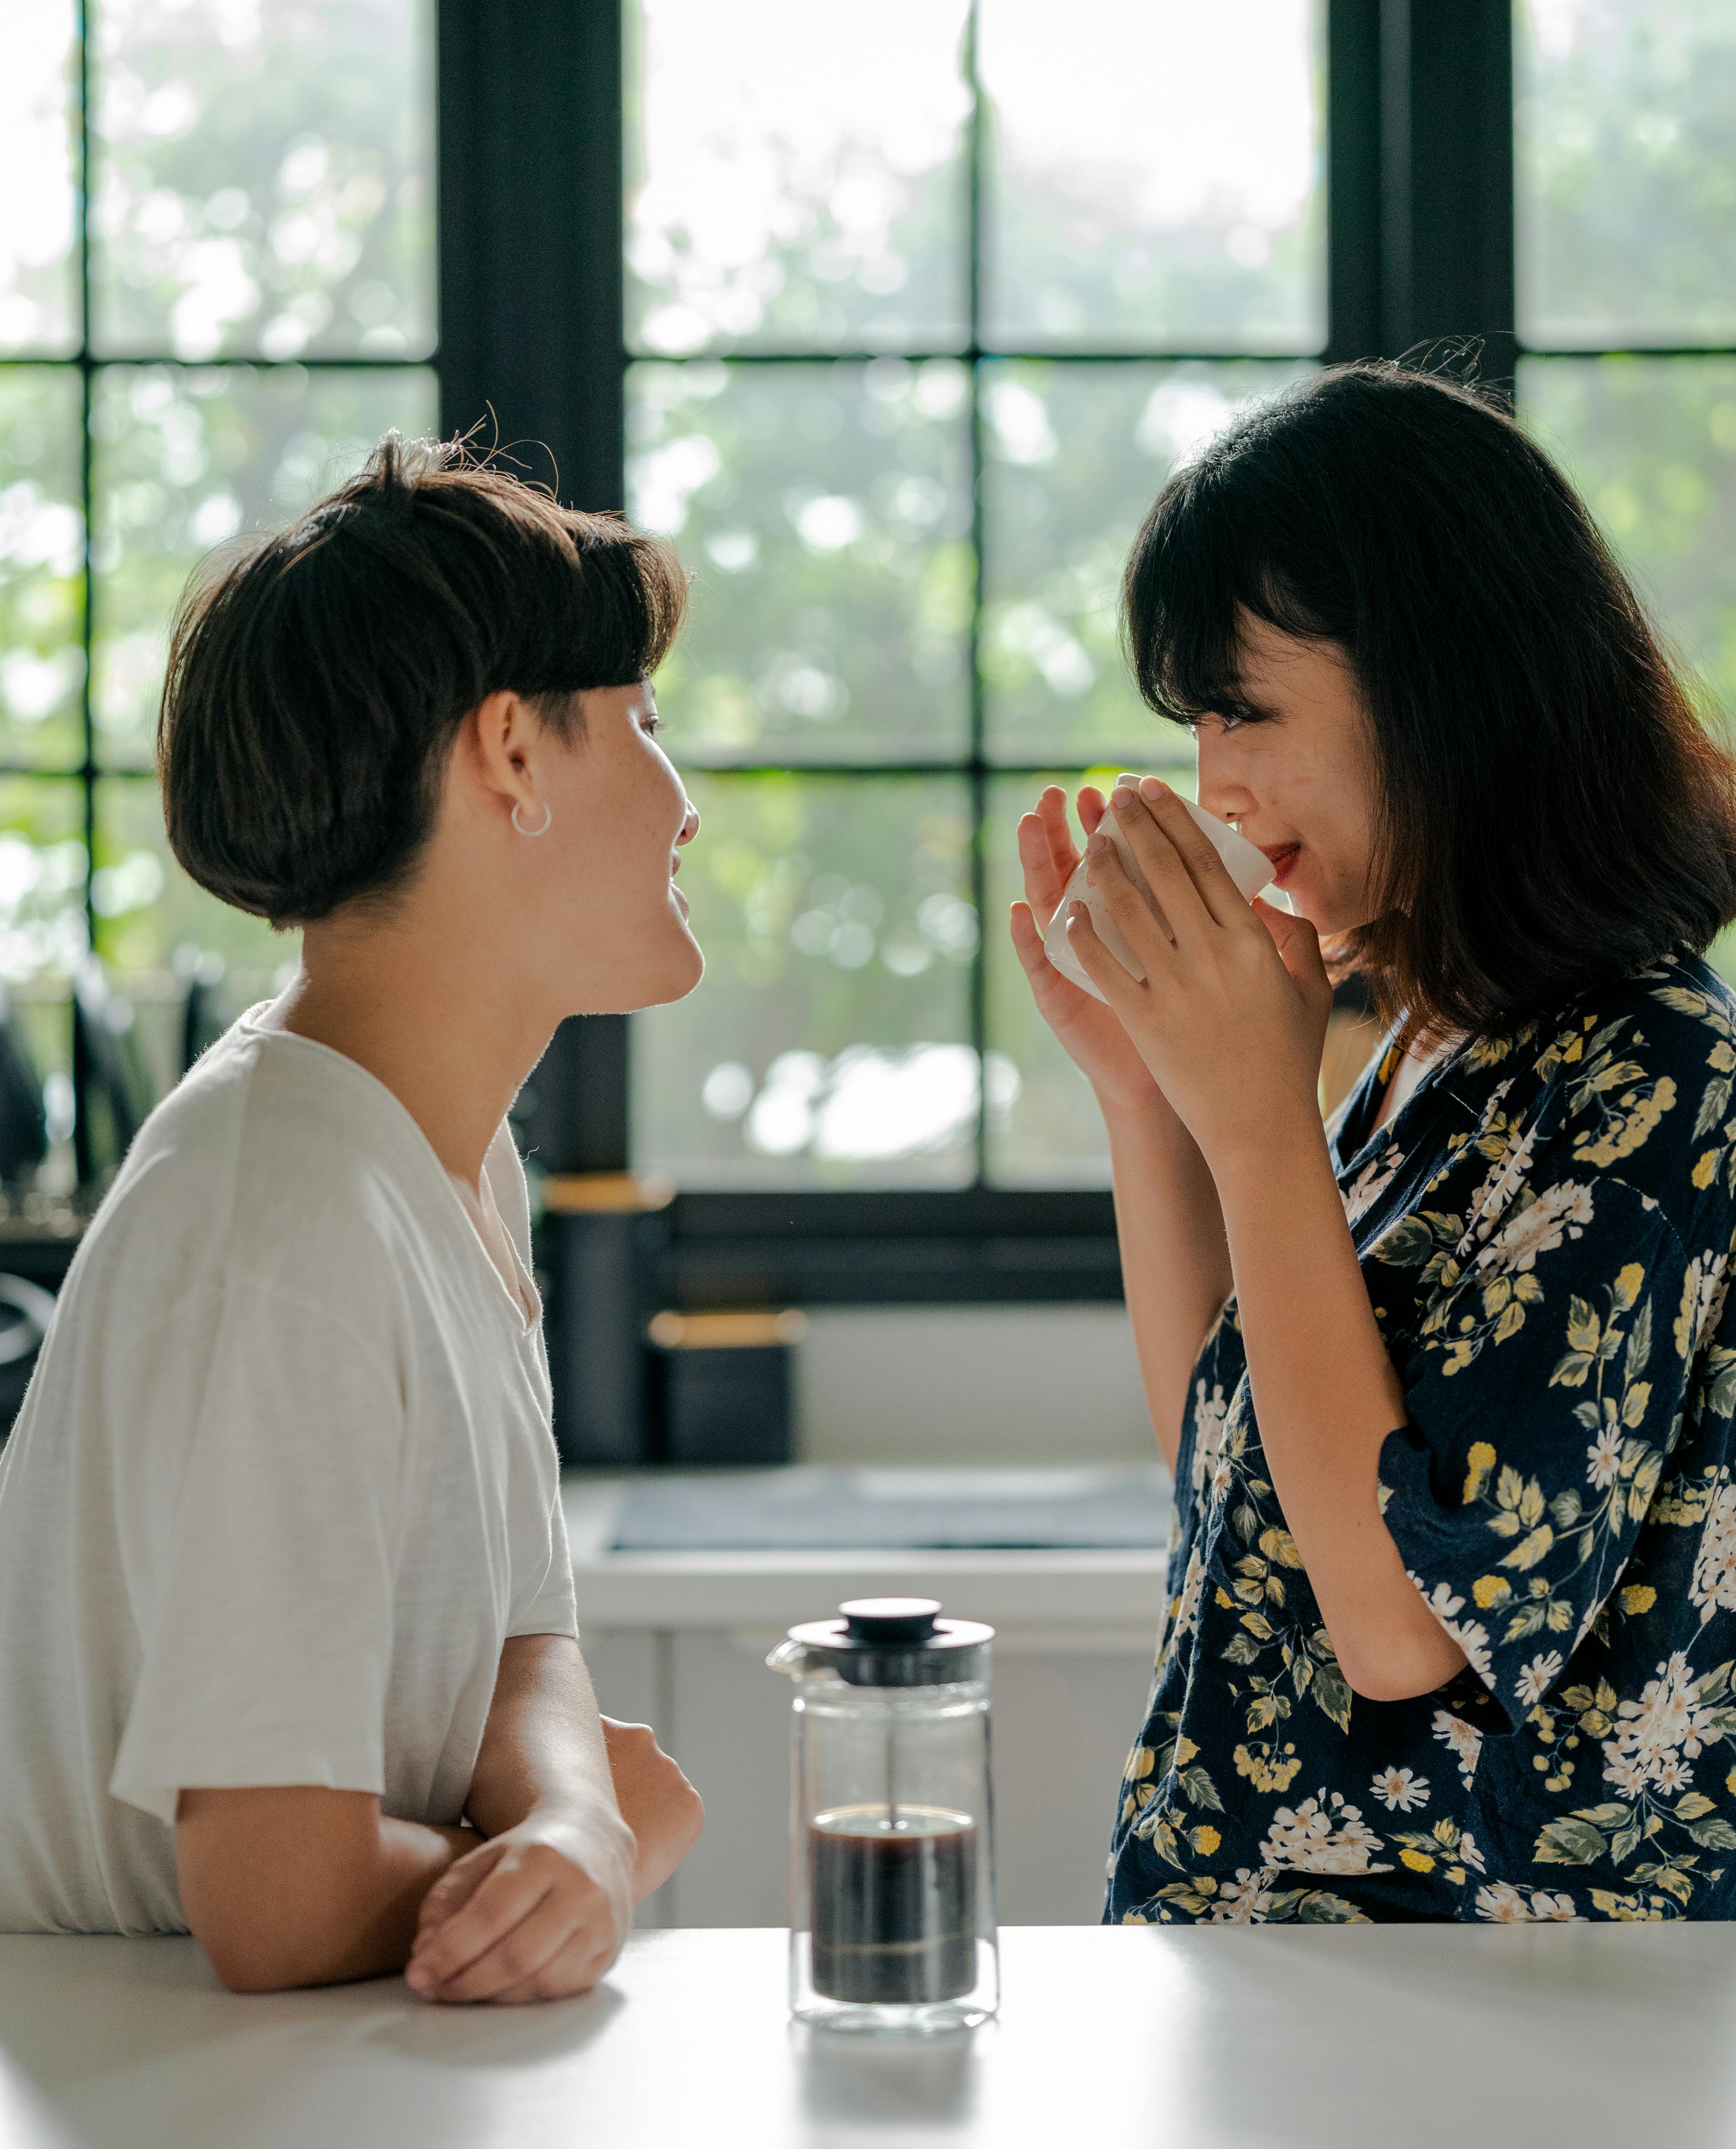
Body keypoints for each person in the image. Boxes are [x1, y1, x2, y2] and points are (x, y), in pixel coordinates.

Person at [1010, 362, 1736, 1923]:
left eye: (1244, 711)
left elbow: (1404, 1623)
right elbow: (1243, 1474)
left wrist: (1257, 1118)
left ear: (1440, 684)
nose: (1215, 784)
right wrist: (1152, 1099)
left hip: (1493, 2023)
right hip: (1315, 1995)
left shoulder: (1658, 1075)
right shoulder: (1440, 1044)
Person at [0, 437, 706, 1996]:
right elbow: (282, 1902)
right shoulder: (298, 1218)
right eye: (643, 726)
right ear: (510, 751)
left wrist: (581, 1823)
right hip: (151, 2081)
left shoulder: (440, 1155)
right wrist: (601, 1856)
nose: (682, 803)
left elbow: (519, 1632)